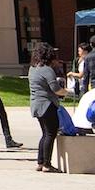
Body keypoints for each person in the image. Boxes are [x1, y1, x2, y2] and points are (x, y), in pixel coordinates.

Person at [28, 44, 64, 173]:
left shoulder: (32, 69)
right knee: (51, 133)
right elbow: (56, 89)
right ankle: (47, 164)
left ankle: (40, 161)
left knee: (44, 133)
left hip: (35, 104)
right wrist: (68, 92)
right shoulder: (47, 70)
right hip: (47, 104)